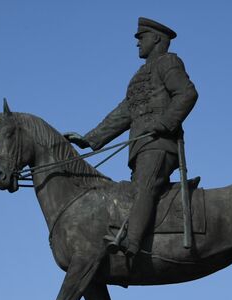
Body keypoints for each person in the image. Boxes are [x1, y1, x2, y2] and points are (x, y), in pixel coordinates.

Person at [65, 18, 198, 258]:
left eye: (141, 37)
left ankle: (131, 243)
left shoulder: (168, 62)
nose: (138, 44)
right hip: (142, 147)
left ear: (156, 38)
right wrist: (89, 139)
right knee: (137, 191)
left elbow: (187, 93)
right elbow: (123, 113)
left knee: (145, 188)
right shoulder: (140, 75)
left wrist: (165, 123)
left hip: (159, 144)